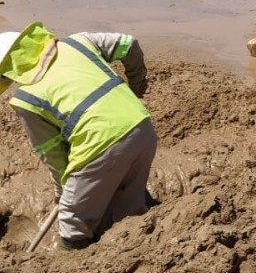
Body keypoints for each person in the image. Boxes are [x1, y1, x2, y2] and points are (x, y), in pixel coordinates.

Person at [0, 22, 157, 250]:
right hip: (142, 127)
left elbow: (53, 153)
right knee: (129, 211)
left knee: (72, 223)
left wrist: (62, 193)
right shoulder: (78, 42)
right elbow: (128, 44)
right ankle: (145, 250)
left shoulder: (25, 99)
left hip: (100, 145)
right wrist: (136, 82)